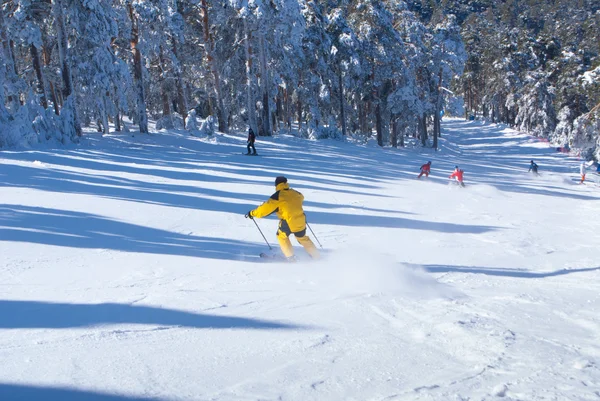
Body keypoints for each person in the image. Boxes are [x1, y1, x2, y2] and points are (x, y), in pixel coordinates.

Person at [245, 176, 320, 262]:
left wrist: (252, 213)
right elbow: (301, 197)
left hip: (288, 221)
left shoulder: (278, 196)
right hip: (300, 220)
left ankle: (291, 258)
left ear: (276, 185)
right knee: (302, 238)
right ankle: (316, 256)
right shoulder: (296, 193)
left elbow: (264, 210)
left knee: (281, 236)